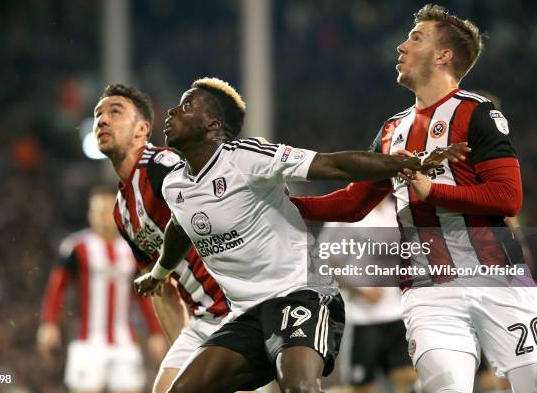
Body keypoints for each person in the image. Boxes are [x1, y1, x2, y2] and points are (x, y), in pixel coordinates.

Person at [134, 77, 468, 393]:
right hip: (247, 314)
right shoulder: (174, 183)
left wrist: (407, 164)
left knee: (298, 385)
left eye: (188, 105)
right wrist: (160, 272)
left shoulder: (246, 158)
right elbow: (179, 226)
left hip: (301, 293)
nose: (174, 111)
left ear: (212, 124)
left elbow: (334, 166)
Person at [290, 4, 537, 393]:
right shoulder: (391, 130)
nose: (401, 46)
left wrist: (433, 191)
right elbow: (353, 203)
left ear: (443, 55)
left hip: (500, 281)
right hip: (430, 290)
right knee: (445, 386)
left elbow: (508, 198)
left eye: (415, 38)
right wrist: (284, 205)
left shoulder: (477, 114)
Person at [93, 84, 233, 393]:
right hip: (202, 319)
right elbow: (161, 289)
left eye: (115, 112)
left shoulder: (161, 167)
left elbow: (217, 207)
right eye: (98, 114)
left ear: (142, 129)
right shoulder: (122, 213)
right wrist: (181, 350)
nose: (102, 120)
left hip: (236, 310)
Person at [37, 186, 166, 393]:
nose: (102, 217)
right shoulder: (76, 247)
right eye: (97, 211)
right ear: (90, 214)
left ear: (117, 211)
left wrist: (155, 332)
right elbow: (57, 287)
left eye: (107, 211)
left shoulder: (133, 248)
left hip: (124, 342)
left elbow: (143, 293)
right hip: (88, 342)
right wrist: (49, 323)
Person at [322, 198, 417, 393]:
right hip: (362, 318)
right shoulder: (346, 214)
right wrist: (361, 290)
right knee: (363, 387)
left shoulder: (397, 210)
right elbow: (326, 263)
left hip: (397, 314)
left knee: (407, 379)